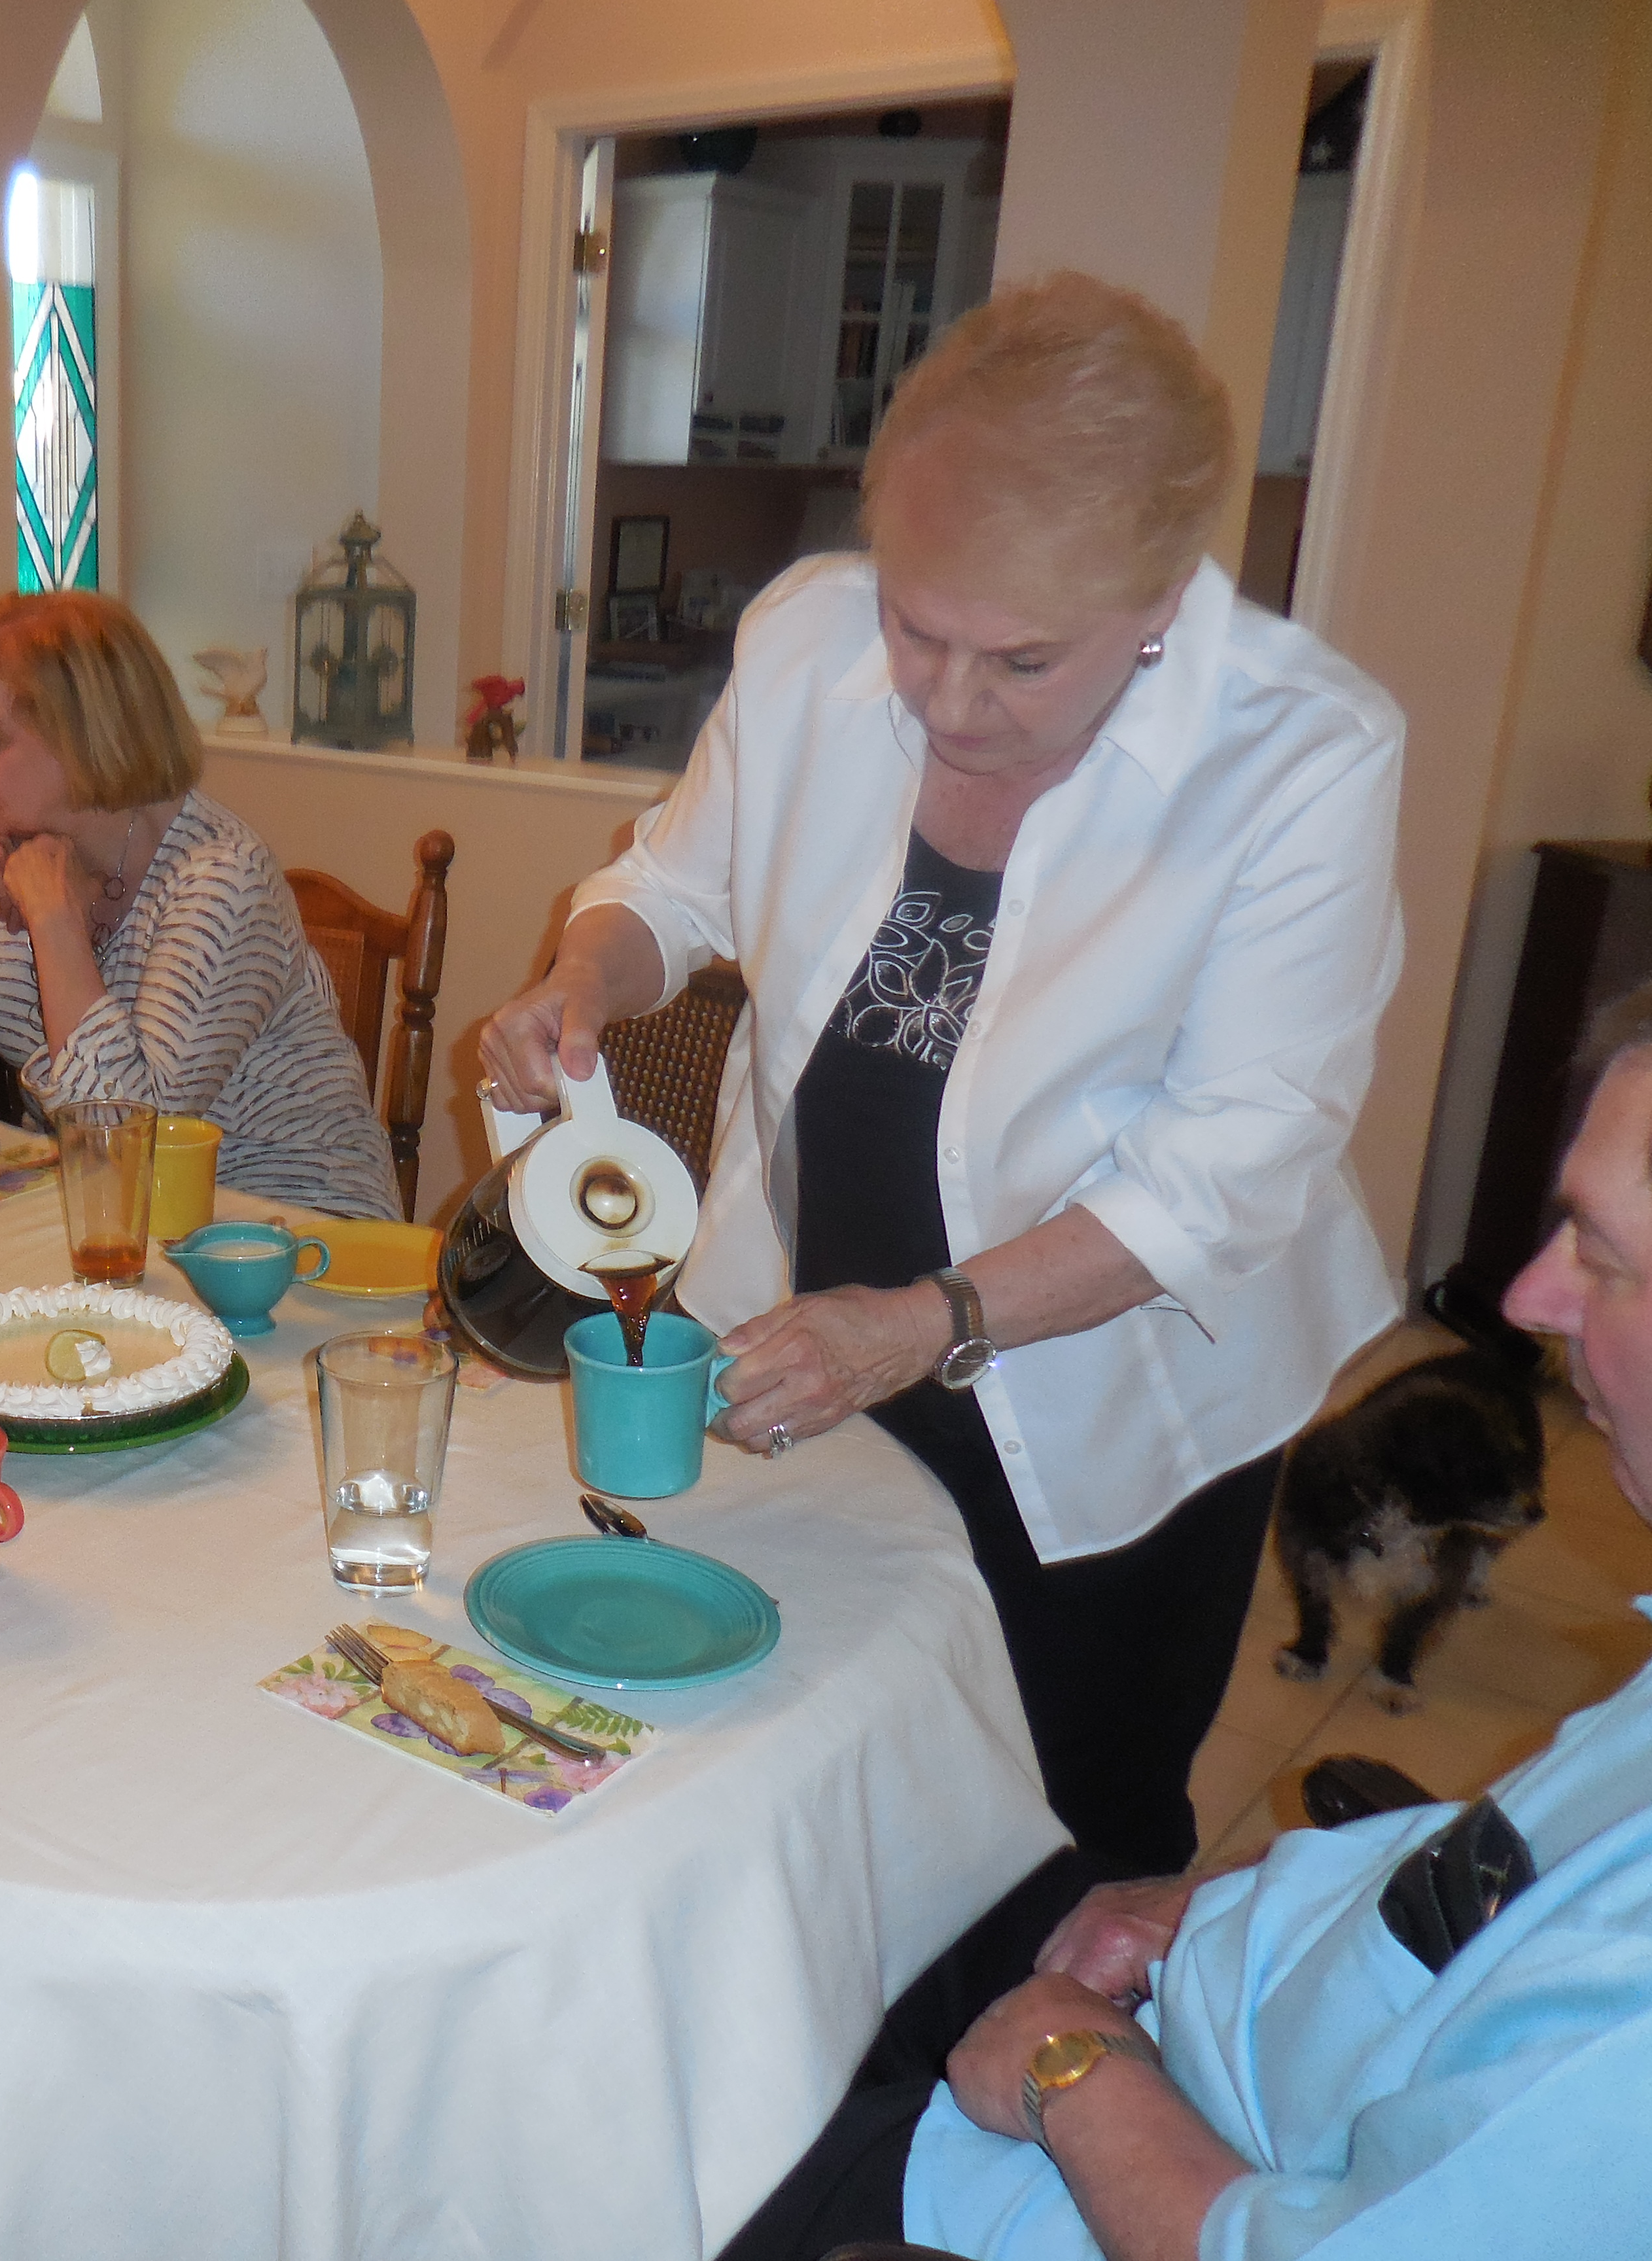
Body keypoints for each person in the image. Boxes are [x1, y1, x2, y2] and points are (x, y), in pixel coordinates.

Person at [480, 272, 1405, 1877]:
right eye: (917, 629)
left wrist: (923, 1324)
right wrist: (585, 975)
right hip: (814, 1322)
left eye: (1024, 662)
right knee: (815, 1774)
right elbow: (675, 887)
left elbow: (1225, 1172)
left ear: (1161, 598)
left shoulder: (1302, 750)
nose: (952, 703)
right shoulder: (804, 636)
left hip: (1109, 1384)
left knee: (1054, 1822)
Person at [722, 990, 1652, 2261]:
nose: (1533, 1294)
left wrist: (1071, 2074)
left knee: (648, 2143)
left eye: (1602, 1257)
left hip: (1114, 2186)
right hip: (1213, 2016)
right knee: (854, 1870)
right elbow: (1515, 1898)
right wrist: (1236, 1910)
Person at [0, 590, 398, 1218]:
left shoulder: (223, 880)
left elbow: (127, 1134)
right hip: (116, 1214)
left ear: (89, 738)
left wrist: (55, 924)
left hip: (293, 1223)